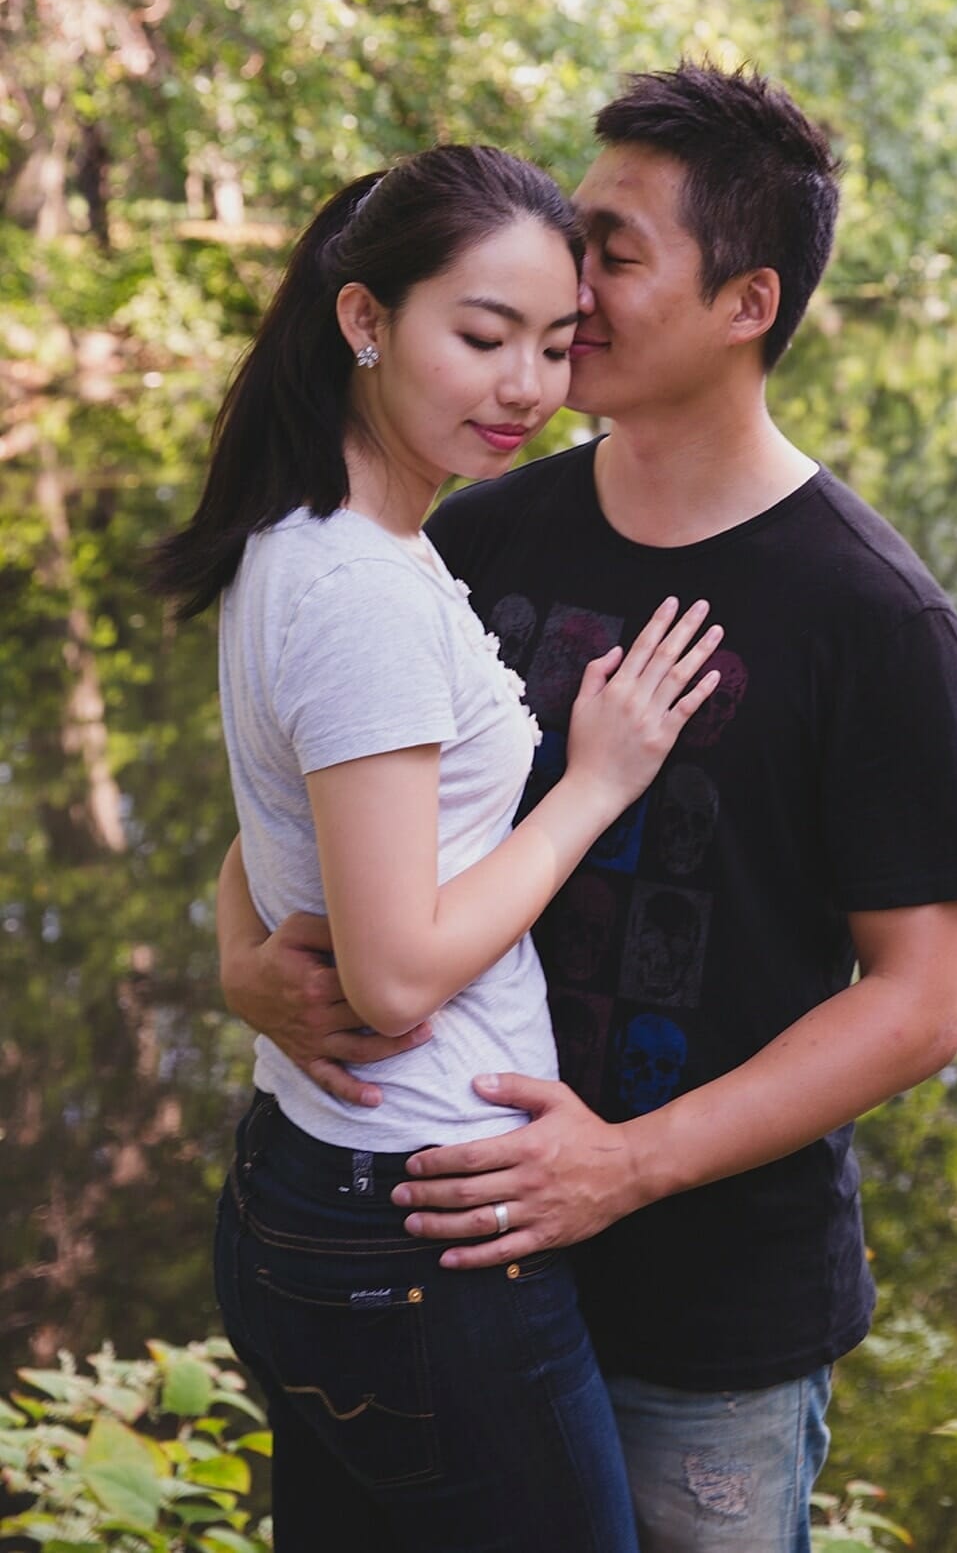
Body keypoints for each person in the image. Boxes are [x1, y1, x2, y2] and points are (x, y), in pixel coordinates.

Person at [218, 66, 957, 1553]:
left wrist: (625, 1166)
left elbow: (918, 1006)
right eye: (573, 239)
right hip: (436, 1261)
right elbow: (312, 808)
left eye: (614, 254)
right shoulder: (477, 527)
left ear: (748, 302)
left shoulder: (871, 617)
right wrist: (242, 958)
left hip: (703, 1322)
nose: (569, 287)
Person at [152, 144, 726, 1553]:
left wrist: (238, 952)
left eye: (554, 342)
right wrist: (594, 785)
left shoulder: (318, 538)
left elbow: (282, 817)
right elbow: (398, 976)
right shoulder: (364, 591)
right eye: (481, 337)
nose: (526, 386)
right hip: (422, 1226)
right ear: (364, 318)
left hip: (324, 1186)